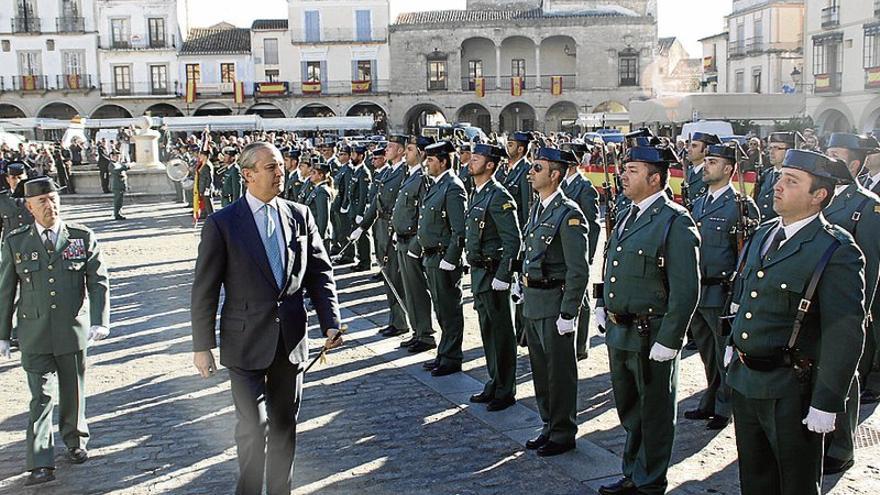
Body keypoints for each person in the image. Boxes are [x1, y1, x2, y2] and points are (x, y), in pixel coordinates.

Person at [190, 142, 342, 495]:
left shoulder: (300, 214)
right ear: (248, 175)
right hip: (244, 344)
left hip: (290, 342)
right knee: (252, 428)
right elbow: (205, 289)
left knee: (284, 427)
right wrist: (202, 346)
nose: (280, 173)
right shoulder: (223, 224)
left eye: (280, 166)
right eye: (271, 167)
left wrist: (330, 321)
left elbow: (320, 273)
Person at [725, 149, 866, 495]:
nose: (778, 186)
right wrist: (732, 345)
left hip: (791, 388)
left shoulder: (835, 249)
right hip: (747, 381)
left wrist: (827, 402)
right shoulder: (765, 233)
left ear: (819, 196)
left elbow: (845, 333)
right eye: (780, 177)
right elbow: (747, 296)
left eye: (792, 181)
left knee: (795, 485)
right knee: (755, 479)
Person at [597, 144, 700, 495]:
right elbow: (611, 262)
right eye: (624, 168)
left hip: (650, 334)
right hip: (621, 330)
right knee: (630, 409)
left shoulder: (675, 221)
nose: (623, 175)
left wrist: (670, 340)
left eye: (633, 170)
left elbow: (685, 290)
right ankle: (633, 471)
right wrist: (601, 304)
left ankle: (650, 480)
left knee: (654, 412)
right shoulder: (628, 213)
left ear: (655, 178)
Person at [0, 177, 110, 486]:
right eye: (43, 201)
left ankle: (76, 441)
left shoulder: (81, 236)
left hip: (71, 329)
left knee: (73, 390)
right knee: (41, 397)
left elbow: (98, 280)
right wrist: (2, 333)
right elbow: (5, 290)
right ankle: (40, 461)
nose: (51, 205)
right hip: (33, 332)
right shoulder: (16, 241)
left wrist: (100, 319)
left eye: (53, 198)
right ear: (29, 206)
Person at [683, 143, 760, 431]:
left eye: (712, 162)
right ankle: (711, 397)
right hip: (700, 292)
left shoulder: (741, 205)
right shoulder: (700, 202)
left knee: (724, 352)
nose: (706, 166)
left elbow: (748, 256)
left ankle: (725, 406)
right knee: (706, 352)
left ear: (728, 169)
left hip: (722, 292)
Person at [521, 147, 590, 457]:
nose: (531, 172)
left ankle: (563, 431)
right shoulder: (538, 207)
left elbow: (579, 269)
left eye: (538, 168)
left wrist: (569, 311)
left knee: (559, 372)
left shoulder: (569, 213)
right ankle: (548, 424)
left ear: (555, 175)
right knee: (540, 369)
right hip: (534, 299)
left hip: (554, 302)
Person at [821, 133, 880, 474]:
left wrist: (861, 313)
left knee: (844, 374)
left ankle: (841, 447)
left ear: (854, 164)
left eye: (835, 154)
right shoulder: (821, 197)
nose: (827, 159)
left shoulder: (867, 205)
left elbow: (871, 263)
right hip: (815, 303)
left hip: (844, 307)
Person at [465, 143, 521, 411]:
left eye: (476, 158)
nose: (470, 161)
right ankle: (494, 380)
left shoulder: (498, 196)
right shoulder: (477, 193)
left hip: (493, 274)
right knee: (488, 331)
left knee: (501, 333)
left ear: (490, 165)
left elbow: (513, 240)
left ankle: (506, 388)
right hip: (479, 273)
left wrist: (504, 274)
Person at [413, 140, 467, 376]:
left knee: (450, 311)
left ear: (443, 161)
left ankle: (452, 357)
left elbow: (459, 229)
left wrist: (452, 258)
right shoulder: (437, 184)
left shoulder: (453, 187)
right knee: (441, 310)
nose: (427, 164)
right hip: (432, 258)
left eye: (432, 160)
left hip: (444, 258)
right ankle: (444, 353)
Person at [351, 144, 409, 337]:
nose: (386, 150)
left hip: (393, 229)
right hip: (381, 227)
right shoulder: (387, 172)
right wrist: (362, 227)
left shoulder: (404, 172)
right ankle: (395, 320)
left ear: (400, 151)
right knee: (388, 275)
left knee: (396, 277)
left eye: (391, 147)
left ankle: (402, 322)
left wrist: (398, 231)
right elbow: (376, 202)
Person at [391, 135, 436, 347]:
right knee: (409, 290)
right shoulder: (410, 176)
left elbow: (424, 214)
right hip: (402, 240)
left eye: (410, 149)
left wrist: (417, 245)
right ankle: (417, 331)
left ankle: (425, 334)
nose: (406, 153)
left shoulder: (424, 178)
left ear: (421, 153)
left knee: (417, 290)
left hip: (412, 242)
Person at [562, 142, 600, 360]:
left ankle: (581, 344)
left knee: (582, 297)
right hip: (564, 250)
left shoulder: (584, 187)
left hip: (579, 251)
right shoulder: (561, 185)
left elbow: (593, 225)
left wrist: (588, 255)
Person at [755, 132, 796, 221]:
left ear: (789, 151)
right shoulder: (766, 174)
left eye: (777, 148)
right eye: (770, 148)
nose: (771, 152)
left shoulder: (794, 178)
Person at [345, 145, 372, 271]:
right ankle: (361, 259)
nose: (352, 157)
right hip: (353, 208)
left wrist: (360, 212)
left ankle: (365, 262)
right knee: (357, 236)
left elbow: (363, 195)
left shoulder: (363, 172)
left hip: (358, 209)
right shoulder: (357, 170)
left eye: (355, 154)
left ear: (361, 156)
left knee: (362, 235)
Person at [302, 157, 334, 253]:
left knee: (323, 263)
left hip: (319, 232)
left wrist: (320, 235)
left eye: (314, 173)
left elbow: (323, 216)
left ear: (320, 176)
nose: (310, 174)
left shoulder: (322, 191)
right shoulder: (317, 189)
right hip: (314, 229)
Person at [683, 132, 721, 208]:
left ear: (706, 150)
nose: (689, 150)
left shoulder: (712, 173)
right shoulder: (689, 170)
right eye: (689, 146)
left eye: (694, 146)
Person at [0, 162, 34, 242]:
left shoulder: (34, 197)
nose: (17, 181)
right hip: (10, 244)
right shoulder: (2, 199)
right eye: (13, 178)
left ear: (26, 177)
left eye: (20, 177)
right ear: (8, 179)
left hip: (32, 242)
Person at [109, 150, 130, 220]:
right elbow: (116, 171)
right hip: (116, 185)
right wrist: (124, 167)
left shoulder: (119, 163)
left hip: (121, 184)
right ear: (112, 156)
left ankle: (119, 213)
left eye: (118, 156)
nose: (118, 157)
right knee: (117, 201)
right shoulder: (111, 164)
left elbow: (123, 174)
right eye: (116, 156)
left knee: (120, 201)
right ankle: (116, 214)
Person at [197, 149, 215, 217]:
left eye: (201, 155)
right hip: (202, 186)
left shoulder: (207, 165)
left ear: (205, 156)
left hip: (206, 188)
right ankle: (206, 215)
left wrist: (207, 188)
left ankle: (212, 216)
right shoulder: (203, 164)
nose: (199, 157)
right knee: (205, 203)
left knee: (209, 204)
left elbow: (209, 178)